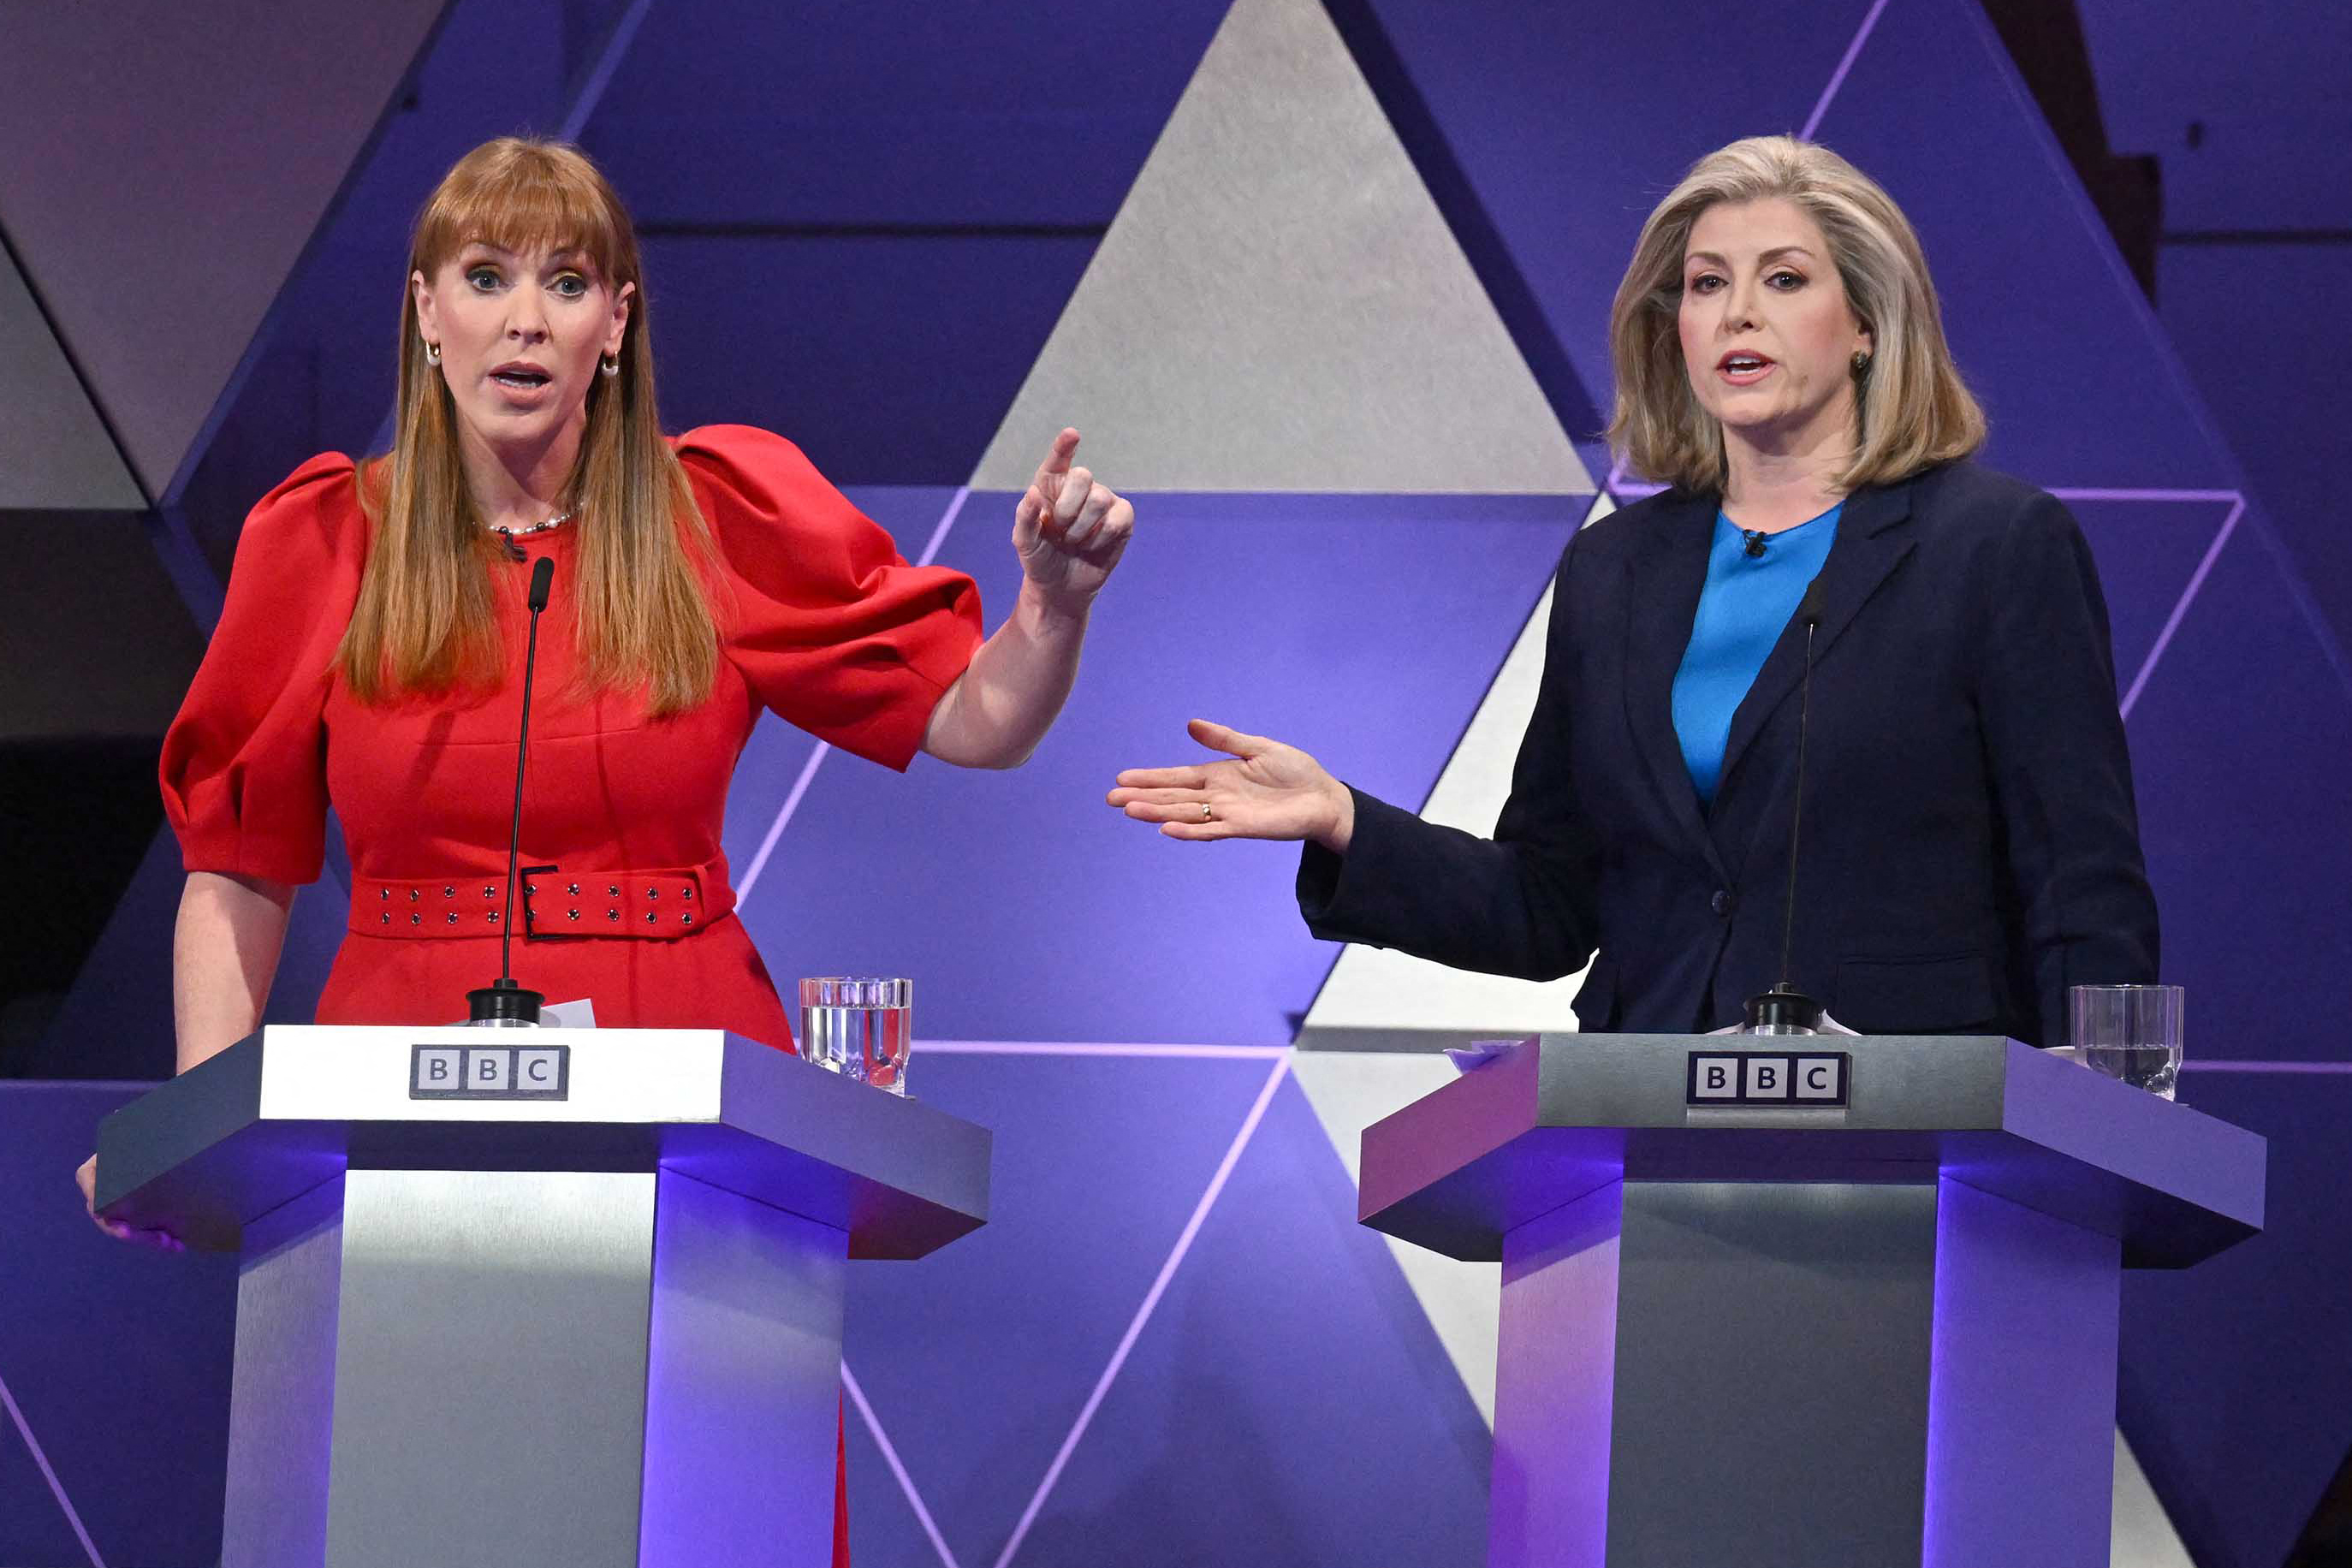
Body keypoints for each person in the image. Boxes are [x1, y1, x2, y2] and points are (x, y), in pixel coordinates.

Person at [1108, 135, 2155, 1045]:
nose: (1738, 311)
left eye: (1784, 279)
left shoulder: (1995, 546)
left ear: (1868, 321)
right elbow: (1549, 903)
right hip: (1646, 1124)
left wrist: (2102, 1118)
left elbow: (2079, 884)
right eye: (1706, 284)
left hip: (1914, 1139)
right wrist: (1346, 821)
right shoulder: (1617, 572)